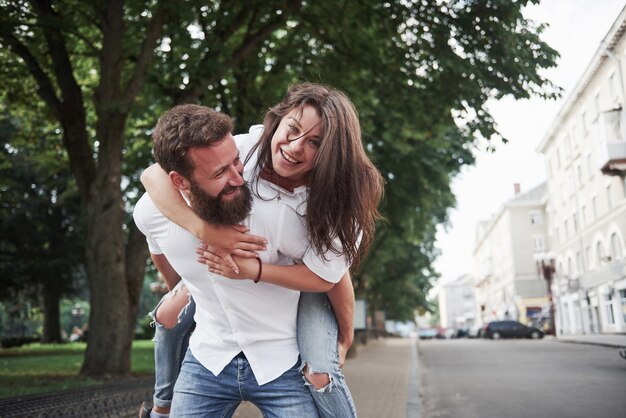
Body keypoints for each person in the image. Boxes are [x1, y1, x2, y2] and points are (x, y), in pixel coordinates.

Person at [140, 83, 384, 417]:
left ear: (331, 152)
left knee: (321, 370)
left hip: (304, 299)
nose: (295, 147)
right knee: (168, 319)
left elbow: (328, 277)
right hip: (213, 348)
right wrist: (207, 233)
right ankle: (161, 408)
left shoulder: (338, 200)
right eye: (293, 130)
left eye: (315, 142)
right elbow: (154, 176)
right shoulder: (244, 150)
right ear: (279, 120)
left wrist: (343, 335)